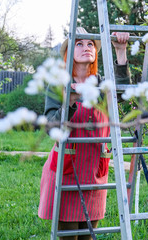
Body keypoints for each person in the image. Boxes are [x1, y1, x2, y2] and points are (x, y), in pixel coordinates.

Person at [38, 27, 131, 240]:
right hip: (66, 170)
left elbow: (123, 96)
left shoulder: (101, 85)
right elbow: (52, 127)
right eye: (79, 44)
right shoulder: (58, 85)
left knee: (89, 236)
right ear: (68, 52)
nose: (86, 47)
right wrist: (69, 100)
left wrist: (120, 51)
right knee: (69, 236)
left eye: (90, 44)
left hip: (95, 172)